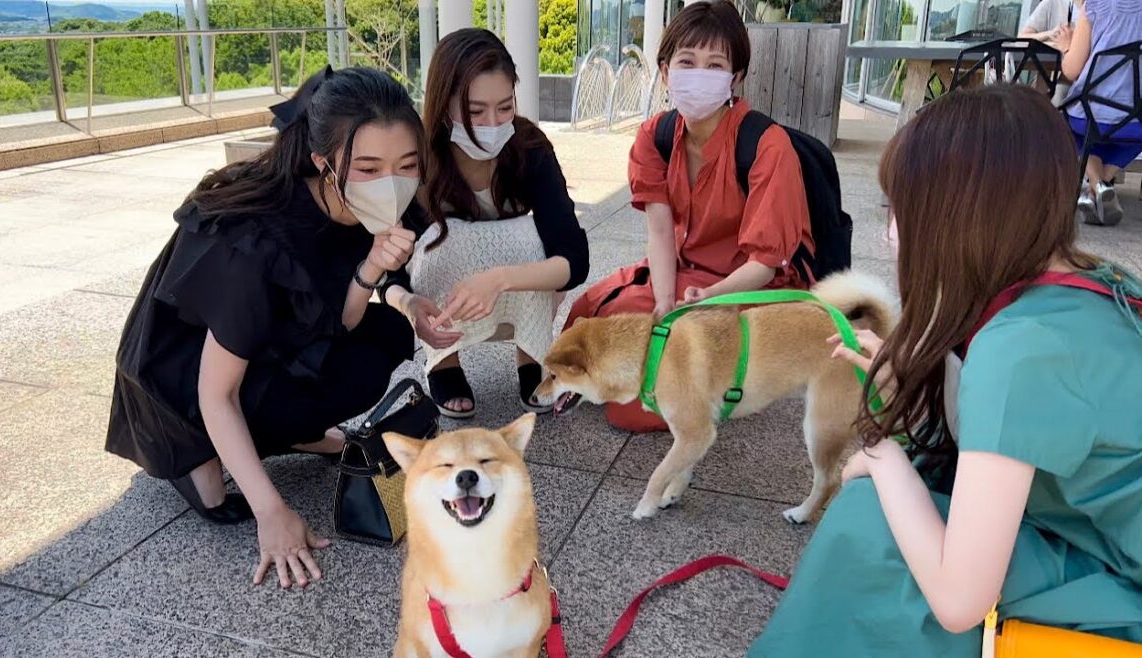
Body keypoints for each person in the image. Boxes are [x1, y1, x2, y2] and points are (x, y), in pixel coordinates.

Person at [749, 85, 1142, 656]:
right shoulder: (1089, 279)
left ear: (956, 216)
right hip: (1104, 537)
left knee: (871, 520)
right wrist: (911, 378)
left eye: (901, 209)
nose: (892, 231)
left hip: (1121, 588)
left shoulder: (1019, 347)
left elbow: (959, 600)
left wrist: (881, 457)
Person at [106, 66, 423, 589]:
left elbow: (338, 322)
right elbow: (216, 392)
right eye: (369, 167)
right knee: (215, 491)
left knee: (382, 337)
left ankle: (291, 434)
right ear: (323, 162)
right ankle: (197, 451)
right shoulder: (254, 240)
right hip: (183, 380)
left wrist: (371, 268)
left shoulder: (362, 207)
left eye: (406, 165)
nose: (392, 182)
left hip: (268, 346)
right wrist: (271, 513)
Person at [563, 0, 812, 433]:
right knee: (590, 315)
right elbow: (660, 232)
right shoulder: (655, 136)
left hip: (752, 288)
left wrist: (708, 298)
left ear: (735, 77)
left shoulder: (767, 146)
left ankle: (721, 388)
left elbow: (765, 264)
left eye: (715, 65)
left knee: (630, 406)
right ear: (665, 71)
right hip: (686, 273)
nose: (699, 74)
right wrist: (664, 305)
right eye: (687, 62)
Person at [388, 28, 589, 419]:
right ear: (443, 104)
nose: (492, 123)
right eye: (475, 111)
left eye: (504, 106)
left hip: (513, 286)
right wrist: (409, 305)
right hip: (447, 295)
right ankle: (444, 362)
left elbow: (574, 258)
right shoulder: (421, 159)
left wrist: (498, 279)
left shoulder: (529, 149)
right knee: (439, 240)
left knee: (534, 239)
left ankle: (532, 355)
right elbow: (390, 269)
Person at [1054, 0, 1142, 226]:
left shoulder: (1094, 5)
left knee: (1062, 123)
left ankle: (1096, 184)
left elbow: (1071, 70)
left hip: (1088, 114)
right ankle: (1100, 186)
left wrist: (1066, 46)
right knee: (1131, 136)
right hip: (1136, 120)